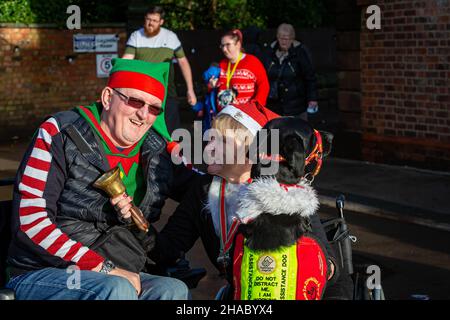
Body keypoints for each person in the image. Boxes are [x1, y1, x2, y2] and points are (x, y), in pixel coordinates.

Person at [5, 58, 195, 300]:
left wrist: (164, 246)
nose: (144, 115)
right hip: (43, 271)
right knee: (116, 289)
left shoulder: (158, 150)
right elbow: (30, 222)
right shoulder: (59, 132)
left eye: (154, 108)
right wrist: (103, 268)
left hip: (123, 269)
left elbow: (199, 187)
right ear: (107, 98)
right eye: (135, 101)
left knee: (173, 290)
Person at [231, 117, 347, 300]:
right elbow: (330, 273)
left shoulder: (241, 210)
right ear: (298, 157)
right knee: (341, 281)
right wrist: (330, 266)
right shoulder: (305, 211)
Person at [123, 5, 197, 135]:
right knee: (144, 133)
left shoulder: (170, 37)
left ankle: (173, 156)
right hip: (143, 94)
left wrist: (190, 90)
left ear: (161, 22)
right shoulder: (136, 36)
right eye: (148, 19)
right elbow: (126, 61)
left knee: (171, 134)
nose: (150, 23)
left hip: (167, 94)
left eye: (154, 20)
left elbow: (183, 62)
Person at [262, 23, 318, 120]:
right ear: (277, 37)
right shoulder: (268, 52)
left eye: (287, 38)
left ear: (292, 39)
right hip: (273, 103)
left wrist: (312, 98)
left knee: (295, 132)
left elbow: (310, 77)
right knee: (273, 132)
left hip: (296, 105)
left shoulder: (300, 53)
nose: (283, 41)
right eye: (281, 38)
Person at [214, 29, 269, 110]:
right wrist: (212, 85)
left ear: (238, 44)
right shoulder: (222, 64)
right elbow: (215, 88)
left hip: (246, 116)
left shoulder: (252, 62)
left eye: (228, 45)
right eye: (222, 46)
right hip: (225, 114)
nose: (224, 49)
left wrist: (256, 106)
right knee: (197, 122)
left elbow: (264, 85)